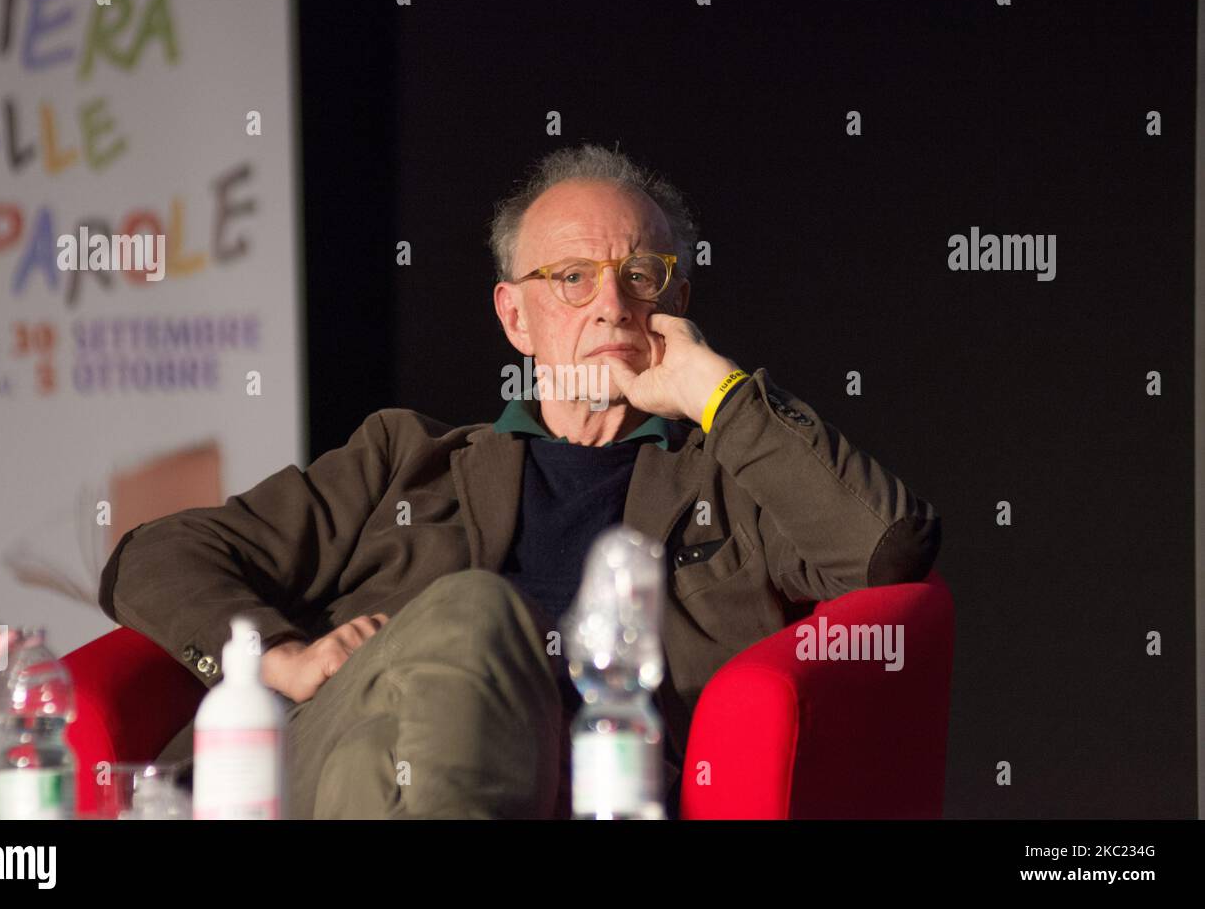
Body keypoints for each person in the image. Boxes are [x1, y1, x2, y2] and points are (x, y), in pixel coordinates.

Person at [97, 143, 942, 819]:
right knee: (469, 618)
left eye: (640, 276)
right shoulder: (404, 459)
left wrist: (717, 394)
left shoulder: (730, 483)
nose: (611, 304)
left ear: (676, 299)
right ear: (515, 317)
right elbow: (157, 555)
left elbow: (884, 547)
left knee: (379, 772)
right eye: (572, 278)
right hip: (321, 766)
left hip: (573, 790)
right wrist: (281, 659)